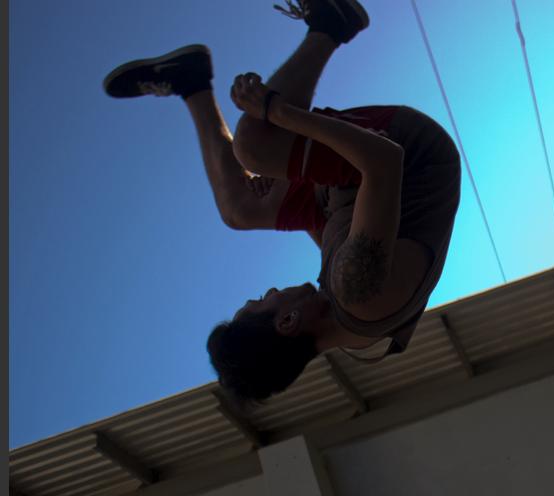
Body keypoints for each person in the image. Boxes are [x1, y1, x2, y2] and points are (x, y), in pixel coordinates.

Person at [103, 0, 461, 402]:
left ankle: (191, 84)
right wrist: (275, 110)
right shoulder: (357, 290)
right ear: (287, 321)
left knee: (239, 208)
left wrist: (289, 179)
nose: (268, 290)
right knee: (255, 145)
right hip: (408, 153)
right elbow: (384, 161)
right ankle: (330, 23)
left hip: (349, 191)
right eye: (260, 302)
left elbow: (349, 233)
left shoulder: (346, 326)